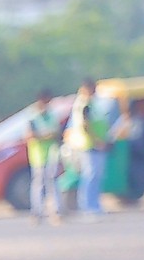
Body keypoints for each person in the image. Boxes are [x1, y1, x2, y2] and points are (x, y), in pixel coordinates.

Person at [67, 78, 112, 217]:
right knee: (90, 176)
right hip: (89, 145)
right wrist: (97, 141)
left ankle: (95, 205)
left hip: (96, 145)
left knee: (96, 176)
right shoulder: (84, 104)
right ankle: (88, 206)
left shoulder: (92, 103)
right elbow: (86, 125)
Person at [24, 90, 63, 223]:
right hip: (38, 155)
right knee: (38, 184)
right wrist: (45, 135)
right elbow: (30, 135)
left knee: (52, 182)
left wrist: (47, 135)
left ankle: (56, 211)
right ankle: (37, 212)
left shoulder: (51, 114)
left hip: (51, 153)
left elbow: (57, 132)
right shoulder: (32, 116)